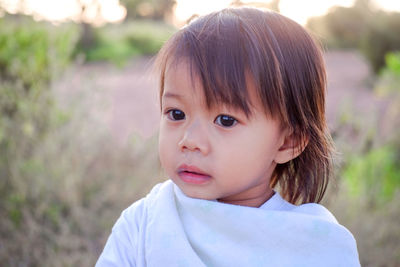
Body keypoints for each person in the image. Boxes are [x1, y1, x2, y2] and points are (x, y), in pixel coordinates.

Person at [96, 7, 360, 266]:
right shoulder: (144, 224)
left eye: (225, 120)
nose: (189, 140)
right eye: (176, 114)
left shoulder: (313, 244)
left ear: (288, 141)